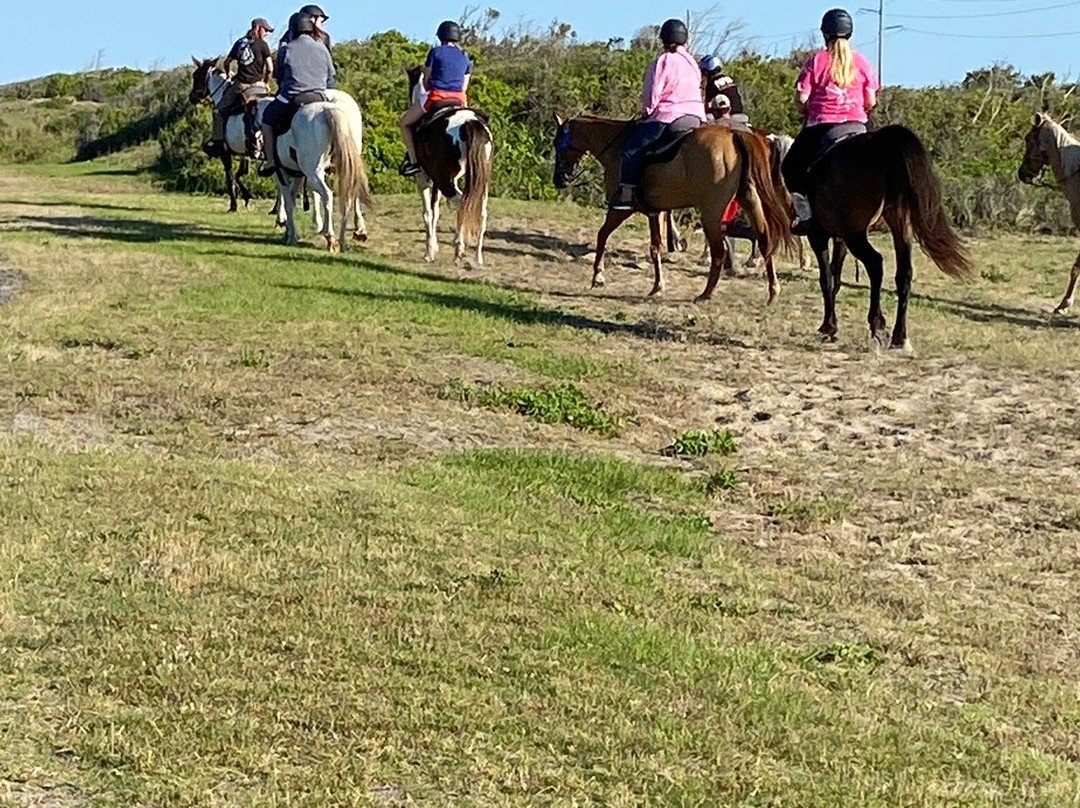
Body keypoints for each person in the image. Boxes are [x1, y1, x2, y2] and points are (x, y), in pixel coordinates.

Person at [781, 8, 879, 233]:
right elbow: (871, 100)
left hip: (823, 125)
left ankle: (806, 215)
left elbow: (802, 97)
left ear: (825, 33)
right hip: (857, 124)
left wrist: (803, 107)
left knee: (791, 168)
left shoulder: (817, 61)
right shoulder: (862, 62)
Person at [611, 19, 706, 210]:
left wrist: (646, 112)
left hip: (669, 116)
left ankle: (627, 196)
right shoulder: (692, 63)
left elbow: (652, 92)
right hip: (696, 117)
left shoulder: (663, 61)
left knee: (631, 148)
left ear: (663, 38)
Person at [258, 10, 335, 177]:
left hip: (294, 96)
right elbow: (330, 75)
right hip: (319, 96)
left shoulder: (287, 49)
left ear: (293, 29)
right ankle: (333, 156)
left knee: (267, 120)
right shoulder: (322, 48)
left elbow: (279, 75)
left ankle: (270, 160)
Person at [398, 20, 472, 177]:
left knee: (404, 123)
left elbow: (426, 80)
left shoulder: (436, 52)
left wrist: (427, 82)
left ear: (441, 37)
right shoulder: (465, 58)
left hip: (437, 96)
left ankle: (413, 162)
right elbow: (464, 86)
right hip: (459, 99)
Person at [204, 17, 274, 157]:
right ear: (258, 28)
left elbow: (227, 62)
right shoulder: (263, 45)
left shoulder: (239, 43)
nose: (266, 33)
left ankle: (218, 142)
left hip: (241, 86)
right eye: (265, 30)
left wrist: (231, 75)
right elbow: (270, 68)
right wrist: (266, 82)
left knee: (218, 111)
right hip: (260, 86)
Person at [699, 55, 748, 125]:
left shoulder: (712, 84)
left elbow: (708, 106)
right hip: (740, 115)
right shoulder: (729, 80)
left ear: (707, 71)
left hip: (726, 116)